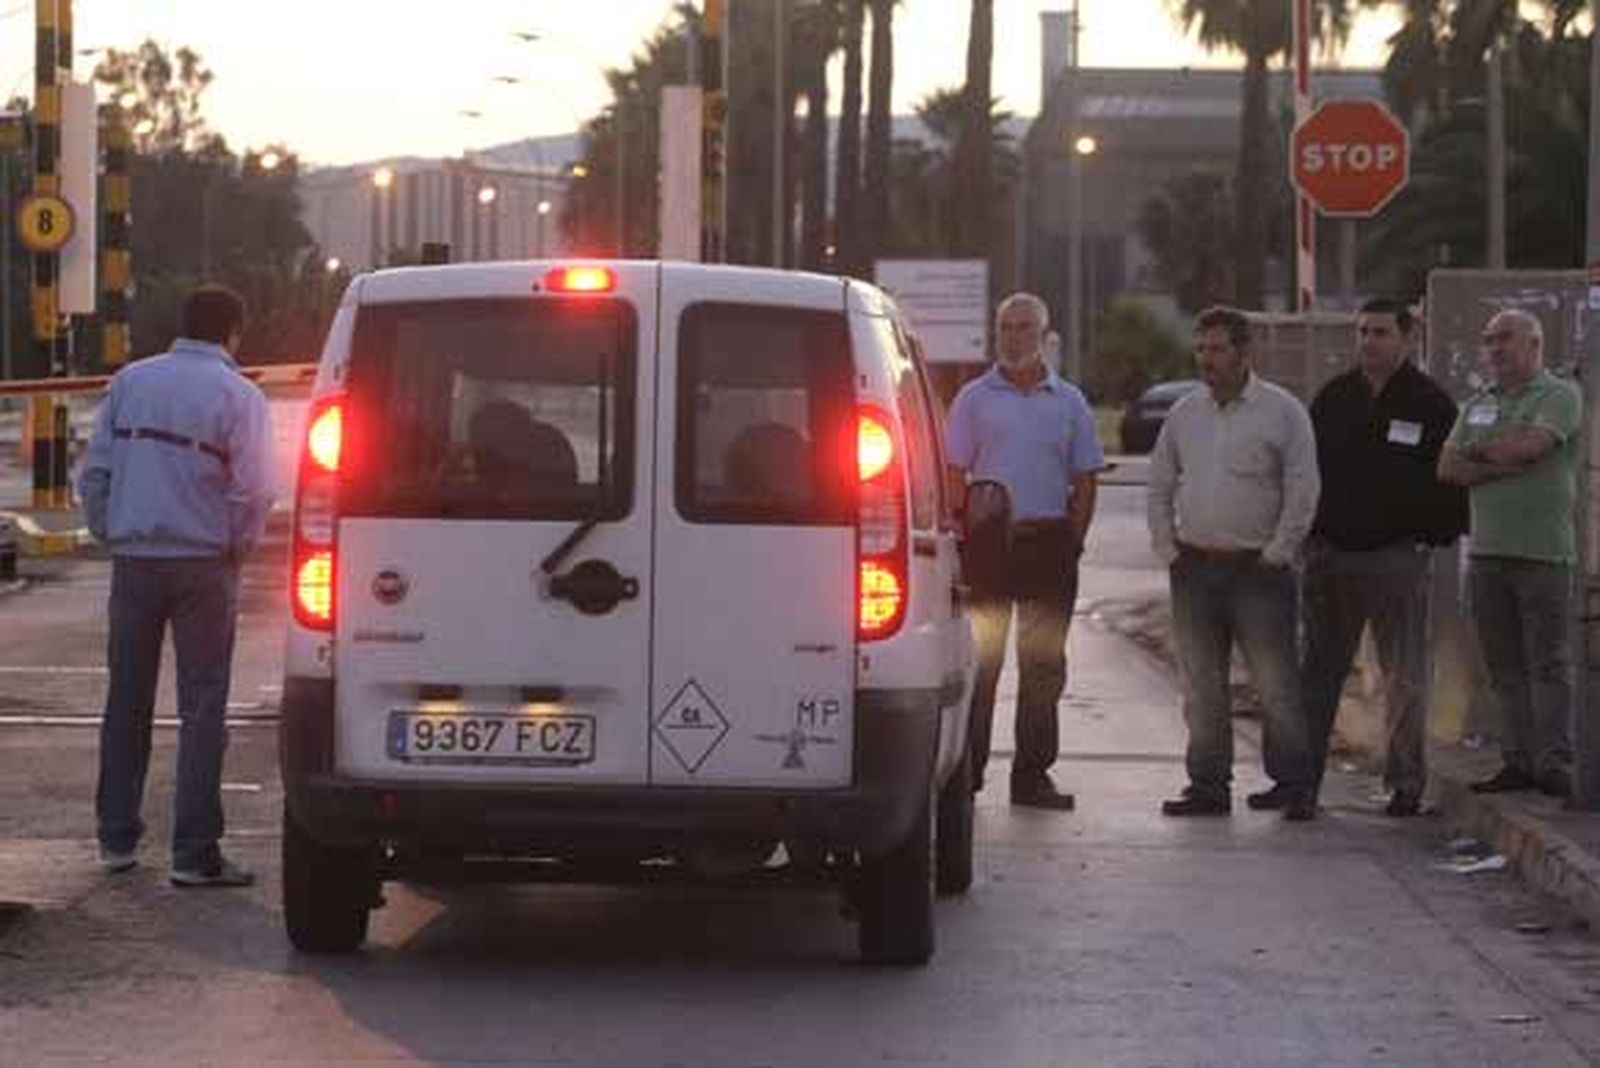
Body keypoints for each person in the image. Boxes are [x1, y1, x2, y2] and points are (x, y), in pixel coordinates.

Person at [78, 285, 274, 887]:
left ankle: (116, 839)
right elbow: (255, 488)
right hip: (202, 564)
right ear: (232, 333)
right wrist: (236, 549)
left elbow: (96, 473)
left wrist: (112, 530)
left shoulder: (130, 382)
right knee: (203, 707)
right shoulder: (240, 395)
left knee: (126, 701)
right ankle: (193, 853)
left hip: (135, 561)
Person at [1293, 298, 1466, 818]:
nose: (1369, 341)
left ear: (1408, 338)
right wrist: (1310, 537)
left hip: (1397, 559)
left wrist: (1429, 539)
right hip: (1332, 560)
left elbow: (1451, 481)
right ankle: (1301, 785)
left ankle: (1406, 784)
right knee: (1319, 675)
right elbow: (1305, 472)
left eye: (1382, 332)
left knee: (1405, 675)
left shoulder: (1431, 403)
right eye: (1363, 331)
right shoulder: (1334, 398)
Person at [1147, 306, 1320, 821]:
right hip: (1195, 568)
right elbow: (1159, 482)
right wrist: (1168, 550)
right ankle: (1207, 785)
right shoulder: (1185, 413)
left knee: (1276, 683)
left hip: (1259, 570)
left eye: (1218, 349)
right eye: (1200, 349)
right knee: (1201, 685)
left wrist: (1279, 553)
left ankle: (1293, 785)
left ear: (1245, 354)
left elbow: (1302, 487)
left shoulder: (1282, 411)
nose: (1207, 359)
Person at [944, 292, 1105, 810]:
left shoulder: (1070, 402)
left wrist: (1073, 540)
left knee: (1043, 667)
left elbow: (1085, 478)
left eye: (1023, 328)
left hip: (1049, 547)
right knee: (982, 664)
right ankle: (964, 777)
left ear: (1043, 336)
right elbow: (952, 476)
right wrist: (961, 539)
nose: (1013, 337)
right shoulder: (972, 399)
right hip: (990, 552)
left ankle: (1032, 776)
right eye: (1005, 328)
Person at [1438, 308, 1582, 799]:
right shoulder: (1479, 401)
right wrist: (1498, 457)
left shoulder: (1559, 395)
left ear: (1533, 345)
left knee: (1550, 664)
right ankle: (1517, 759)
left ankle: (1555, 761)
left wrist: (1481, 453)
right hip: (1488, 554)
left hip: (1544, 554)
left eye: (1505, 339)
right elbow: (1447, 468)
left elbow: (1534, 447)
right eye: (1488, 340)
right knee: (1504, 668)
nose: (1494, 349)